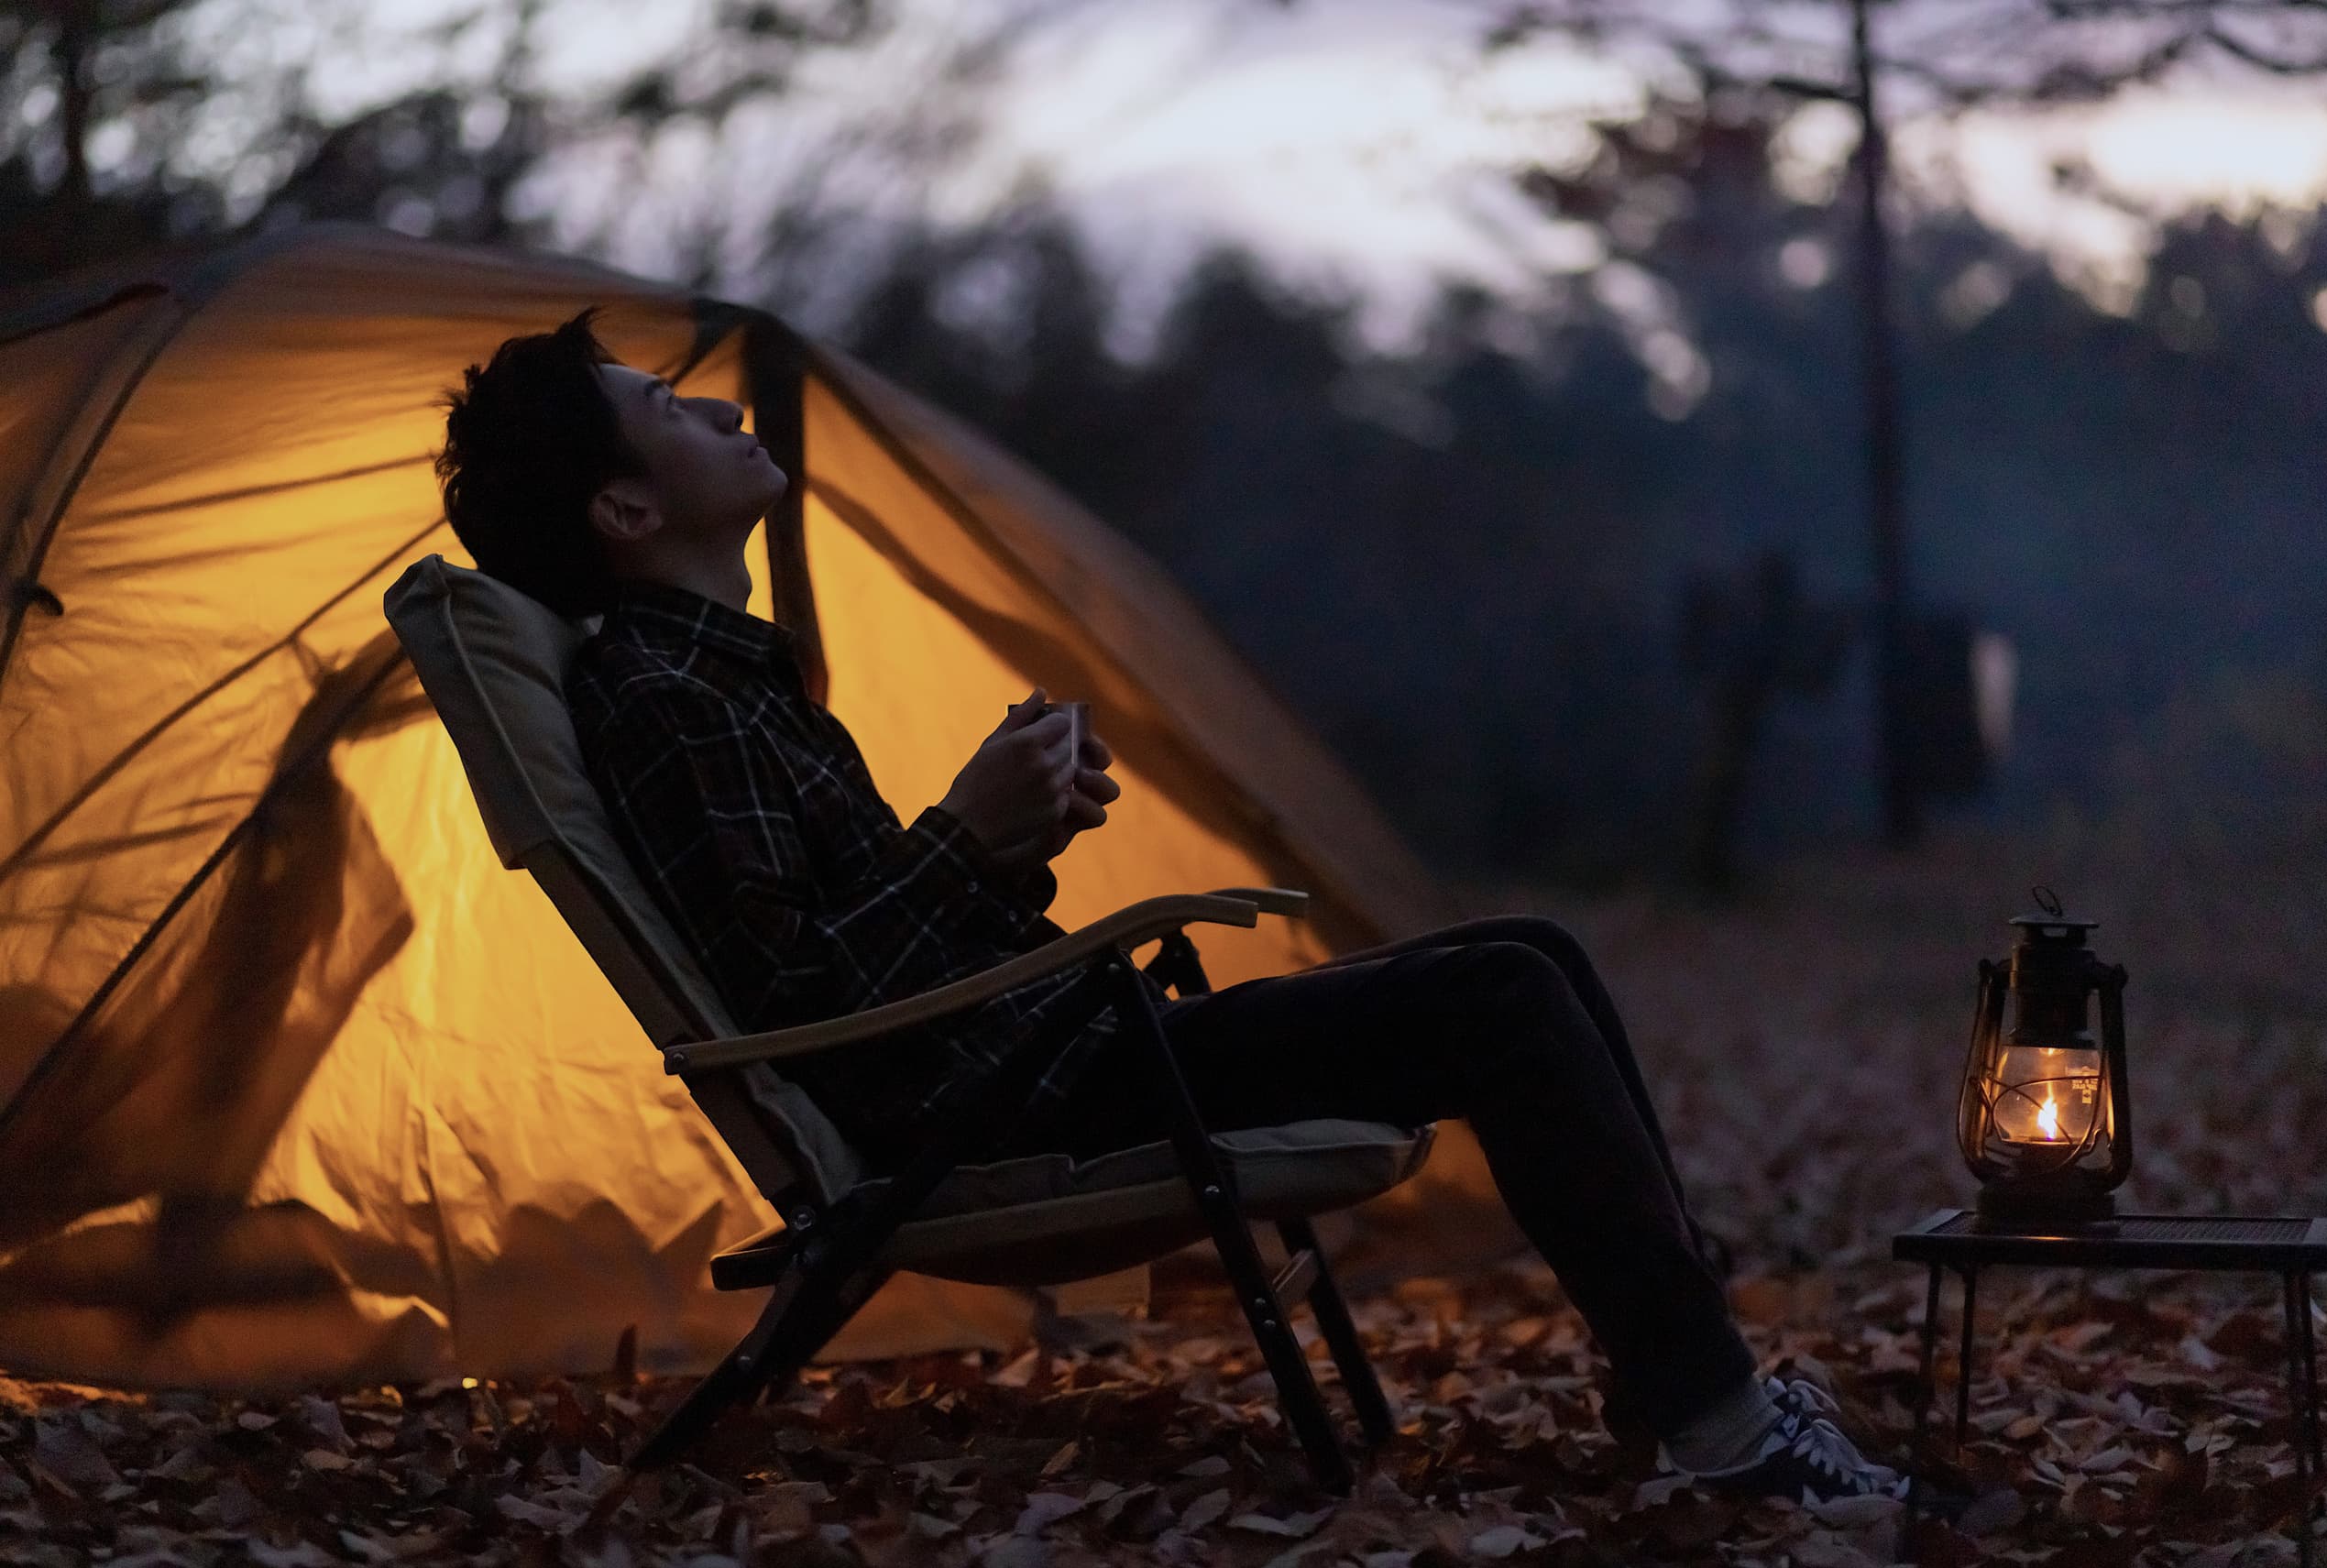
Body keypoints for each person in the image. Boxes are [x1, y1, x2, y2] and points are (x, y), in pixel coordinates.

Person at [433, 310, 1907, 1508]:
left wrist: (1009, 846)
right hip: (1011, 1104)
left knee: (1531, 951)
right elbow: (814, 1012)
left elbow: (868, 946)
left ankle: (1685, 1377)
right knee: (1507, 1003)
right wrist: (966, 835)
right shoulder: (671, 703)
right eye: (675, 414)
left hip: (1025, 1057)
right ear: (625, 508)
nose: (725, 416)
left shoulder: (730, 682)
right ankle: (1726, 1433)